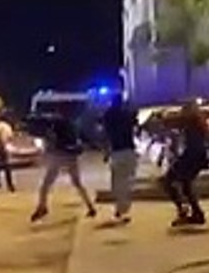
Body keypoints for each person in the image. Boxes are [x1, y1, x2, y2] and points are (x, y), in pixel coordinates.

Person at [31, 111, 97, 222]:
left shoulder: (56, 126)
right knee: (77, 183)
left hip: (59, 155)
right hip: (71, 156)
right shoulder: (71, 125)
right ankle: (90, 206)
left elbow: (52, 143)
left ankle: (42, 207)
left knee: (45, 184)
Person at [162, 101, 209, 226]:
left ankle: (183, 210)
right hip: (198, 155)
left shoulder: (191, 121)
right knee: (185, 184)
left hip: (192, 155)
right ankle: (196, 213)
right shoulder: (197, 122)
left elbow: (171, 120)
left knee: (169, 180)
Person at [102, 92, 138, 223]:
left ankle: (120, 209)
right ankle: (124, 209)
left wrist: (106, 152)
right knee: (128, 182)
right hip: (129, 150)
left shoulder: (108, 115)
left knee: (117, 182)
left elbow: (106, 135)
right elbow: (134, 127)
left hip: (117, 151)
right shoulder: (127, 113)